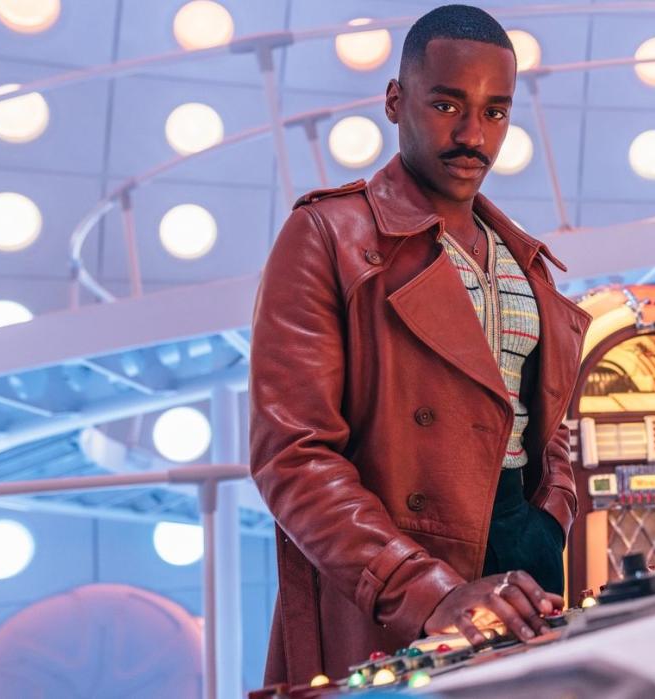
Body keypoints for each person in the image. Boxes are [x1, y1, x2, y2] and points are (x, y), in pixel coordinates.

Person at [249, 5, 591, 685]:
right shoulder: (327, 237)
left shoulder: (525, 261)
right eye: (446, 104)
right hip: (400, 575)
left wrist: (552, 513)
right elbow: (292, 455)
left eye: (495, 111)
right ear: (394, 101)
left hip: (525, 555)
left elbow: (543, 422)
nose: (473, 134)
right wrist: (426, 589)